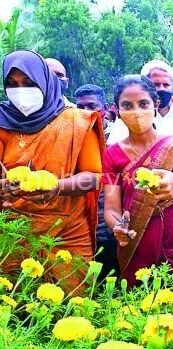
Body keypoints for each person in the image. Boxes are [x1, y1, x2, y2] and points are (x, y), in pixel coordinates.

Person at [102, 75, 173, 288]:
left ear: (155, 105)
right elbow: (111, 208)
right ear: (117, 110)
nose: (136, 111)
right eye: (127, 105)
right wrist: (118, 227)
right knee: (142, 309)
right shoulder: (112, 155)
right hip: (137, 243)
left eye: (143, 104)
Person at [0, 50, 104, 289]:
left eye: (28, 82)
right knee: (13, 310)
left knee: (71, 307)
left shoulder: (78, 121)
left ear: (45, 81)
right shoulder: (1, 122)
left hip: (67, 234)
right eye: (11, 84)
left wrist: (57, 187)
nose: (20, 90)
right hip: (12, 233)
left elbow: (93, 177)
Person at [75, 83, 119, 280]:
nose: (86, 112)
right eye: (80, 107)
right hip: (80, 224)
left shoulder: (118, 137)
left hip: (111, 224)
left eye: (92, 106)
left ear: (105, 107)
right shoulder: (72, 136)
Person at [106, 60, 173, 145]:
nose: (162, 89)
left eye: (166, 85)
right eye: (156, 84)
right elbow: (114, 151)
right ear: (144, 86)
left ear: (172, 86)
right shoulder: (129, 116)